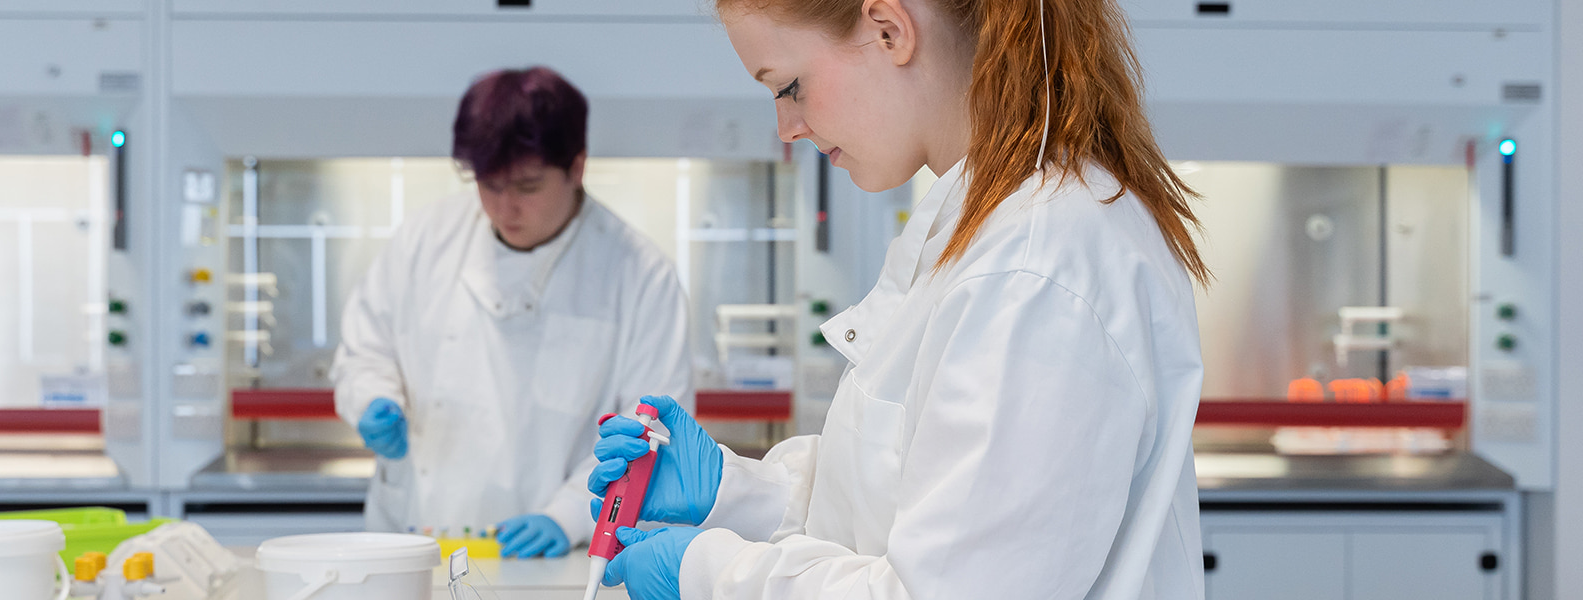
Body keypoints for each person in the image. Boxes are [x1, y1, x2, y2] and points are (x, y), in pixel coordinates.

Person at [587, 0, 1211, 598]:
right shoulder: (989, 230)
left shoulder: (1034, 267)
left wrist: (709, 576)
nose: (787, 127)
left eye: (788, 87)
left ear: (889, 30)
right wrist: (735, 490)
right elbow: (907, 499)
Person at [331, 67, 694, 559]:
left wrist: (566, 516)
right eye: (490, 184)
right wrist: (371, 398)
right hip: (414, 539)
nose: (505, 208)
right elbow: (363, 352)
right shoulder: (426, 239)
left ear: (577, 167)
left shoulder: (639, 275)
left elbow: (651, 429)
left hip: (553, 552)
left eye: (527, 186)